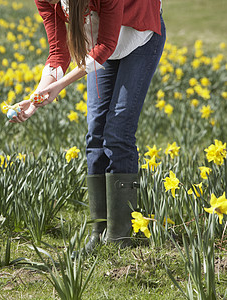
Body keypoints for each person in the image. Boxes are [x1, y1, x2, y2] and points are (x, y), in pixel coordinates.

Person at [12, 0, 166, 251]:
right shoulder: (46, 1)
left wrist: (60, 86)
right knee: (95, 133)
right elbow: (58, 54)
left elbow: (106, 46)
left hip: (139, 36)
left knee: (118, 133)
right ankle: (99, 231)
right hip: (101, 47)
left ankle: (119, 238)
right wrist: (35, 98)